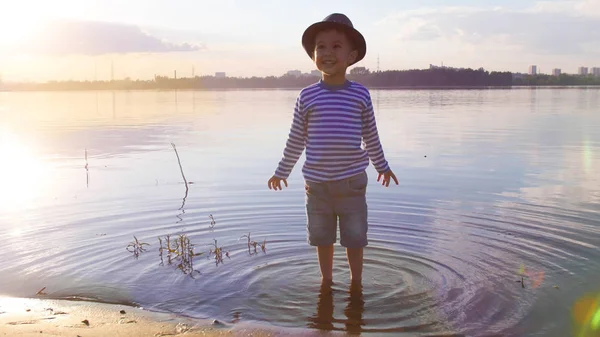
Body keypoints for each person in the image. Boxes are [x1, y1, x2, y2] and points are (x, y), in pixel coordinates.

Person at [267, 13, 398, 285]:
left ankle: (356, 283)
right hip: (317, 184)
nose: (327, 52)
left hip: (351, 182)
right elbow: (295, 140)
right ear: (313, 55)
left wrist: (382, 166)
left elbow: (370, 136)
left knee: (355, 237)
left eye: (336, 46)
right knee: (321, 237)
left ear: (351, 56)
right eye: (321, 47)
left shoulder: (360, 94)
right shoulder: (307, 96)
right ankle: (326, 282)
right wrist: (282, 172)